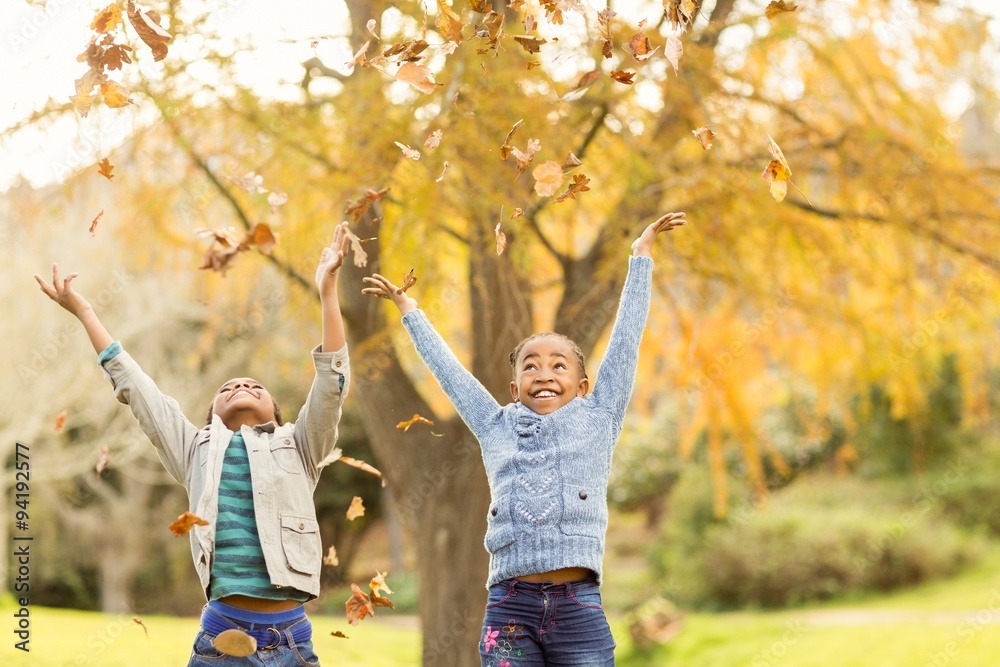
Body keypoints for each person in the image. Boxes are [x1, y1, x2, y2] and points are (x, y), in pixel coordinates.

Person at [362, 211, 687, 666]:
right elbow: (452, 377)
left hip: (579, 606)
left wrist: (640, 258)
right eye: (530, 365)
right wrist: (410, 313)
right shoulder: (496, 425)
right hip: (509, 607)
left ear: (583, 385)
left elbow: (626, 342)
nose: (544, 373)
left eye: (559, 365)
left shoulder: (599, 416)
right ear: (514, 388)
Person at [34, 223, 353, 666]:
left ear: (280, 416)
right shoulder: (196, 449)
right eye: (229, 387)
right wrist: (86, 312)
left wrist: (328, 291)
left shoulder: (300, 446)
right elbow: (138, 390)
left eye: (253, 385)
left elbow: (331, 384)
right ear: (209, 418)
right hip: (221, 634)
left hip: (291, 638)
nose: (241, 384)